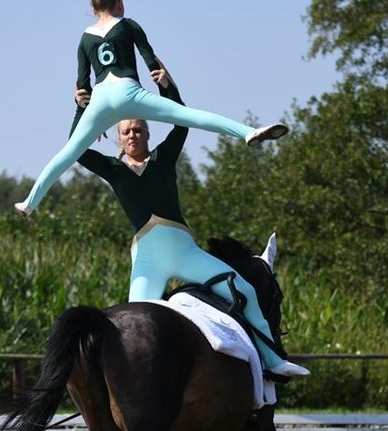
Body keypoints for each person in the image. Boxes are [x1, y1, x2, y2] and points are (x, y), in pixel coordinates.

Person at [63, 65, 309, 378]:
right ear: (119, 138)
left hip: (185, 252)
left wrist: (169, 88)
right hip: (147, 261)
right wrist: (80, 108)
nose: (133, 135)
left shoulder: (163, 158)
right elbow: (77, 150)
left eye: (138, 129)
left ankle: (274, 360)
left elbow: (181, 123)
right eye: (126, 131)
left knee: (244, 289)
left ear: (148, 133)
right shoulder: (113, 170)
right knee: (133, 327)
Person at [14, 0, 288, 216]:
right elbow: (149, 57)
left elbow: (82, 85)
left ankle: (30, 202)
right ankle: (247, 132)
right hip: (128, 92)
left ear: (93, 8)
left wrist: (85, 112)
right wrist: (162, 77)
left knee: (68, 152)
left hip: (99, 102)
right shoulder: (128, 24)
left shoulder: (84, 38)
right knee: (190, 116)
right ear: (120, 3)